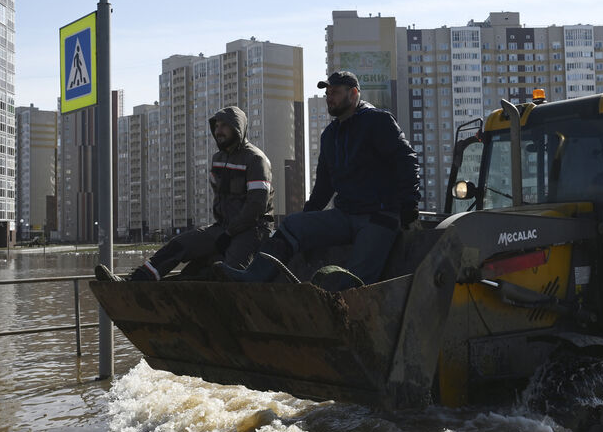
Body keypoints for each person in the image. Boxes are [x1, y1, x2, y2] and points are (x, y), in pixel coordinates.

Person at [219, 71, 420, 289]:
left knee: (354, 281)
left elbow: (406, 160)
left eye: (335, 92)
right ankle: (254, 278)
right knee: (292, 225)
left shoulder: (377, 121)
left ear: (353, 94)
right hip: (346, 215)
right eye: (327, 93)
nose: (329, 97)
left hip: (379, 217)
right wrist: (308, 217)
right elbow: (324, 185)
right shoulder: (330, 135)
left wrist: (409, 205)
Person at [95, 105, 273, 282]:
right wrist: (222, 231)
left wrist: (229, 233)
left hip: (253, 229)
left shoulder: (256, 159)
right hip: (224, 227)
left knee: (228, 273)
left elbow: (256, 206)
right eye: (216, 126)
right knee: (178, 245)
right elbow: (220, 198)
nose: (218, 131)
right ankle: (134, 282)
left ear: (238, 127)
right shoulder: (218, 160)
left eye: (224, 126)